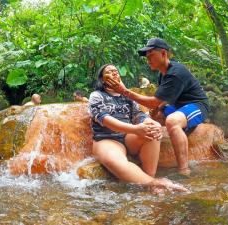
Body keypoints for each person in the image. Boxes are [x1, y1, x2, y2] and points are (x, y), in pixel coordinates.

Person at [105, 38, 209, 176]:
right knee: (151, 117)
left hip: (197, 105)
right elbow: (161, 100)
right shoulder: (163, 73)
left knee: (172, 121)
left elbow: (153, 101)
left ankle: (184, 170)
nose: (148, 60)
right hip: (178, 106)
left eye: (151, 56)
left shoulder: (176, 73)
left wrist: (124, 91)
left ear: (164, 54)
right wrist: (155, 112)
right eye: (147, 57)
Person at [89, 64, 188, 192]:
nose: (114, 73)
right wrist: (135, 129)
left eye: (116, 71)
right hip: (107, 139)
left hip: (128, 137)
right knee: (116, 162)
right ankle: (153, 183)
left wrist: (151, 123)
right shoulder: (96, 95)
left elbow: (139, 115)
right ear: (102, 79)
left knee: (152, 130)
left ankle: (149, 178)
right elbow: (105, 120)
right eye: (109, 72)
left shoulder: (127, 96)